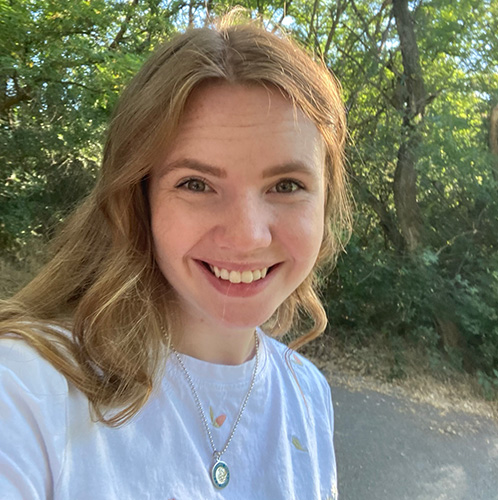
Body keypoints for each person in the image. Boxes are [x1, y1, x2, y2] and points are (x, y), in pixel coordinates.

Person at [0, 14, 350, 500]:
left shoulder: (309, 397)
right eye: (196, 183)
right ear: (138, 199)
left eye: (287, 186)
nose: (248, 236)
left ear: (325, 203)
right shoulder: (28, 388)